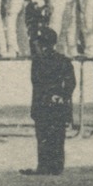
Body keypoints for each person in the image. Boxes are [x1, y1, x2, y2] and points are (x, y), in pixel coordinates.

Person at [23, 25, 75, 176]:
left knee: (51, 136)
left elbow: (69, 83)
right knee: (48, 136)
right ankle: (49, 166)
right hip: (48, 105)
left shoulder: (53, 61)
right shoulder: (53, 61)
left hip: (51, 105)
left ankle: (52, 166)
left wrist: (60, 95)